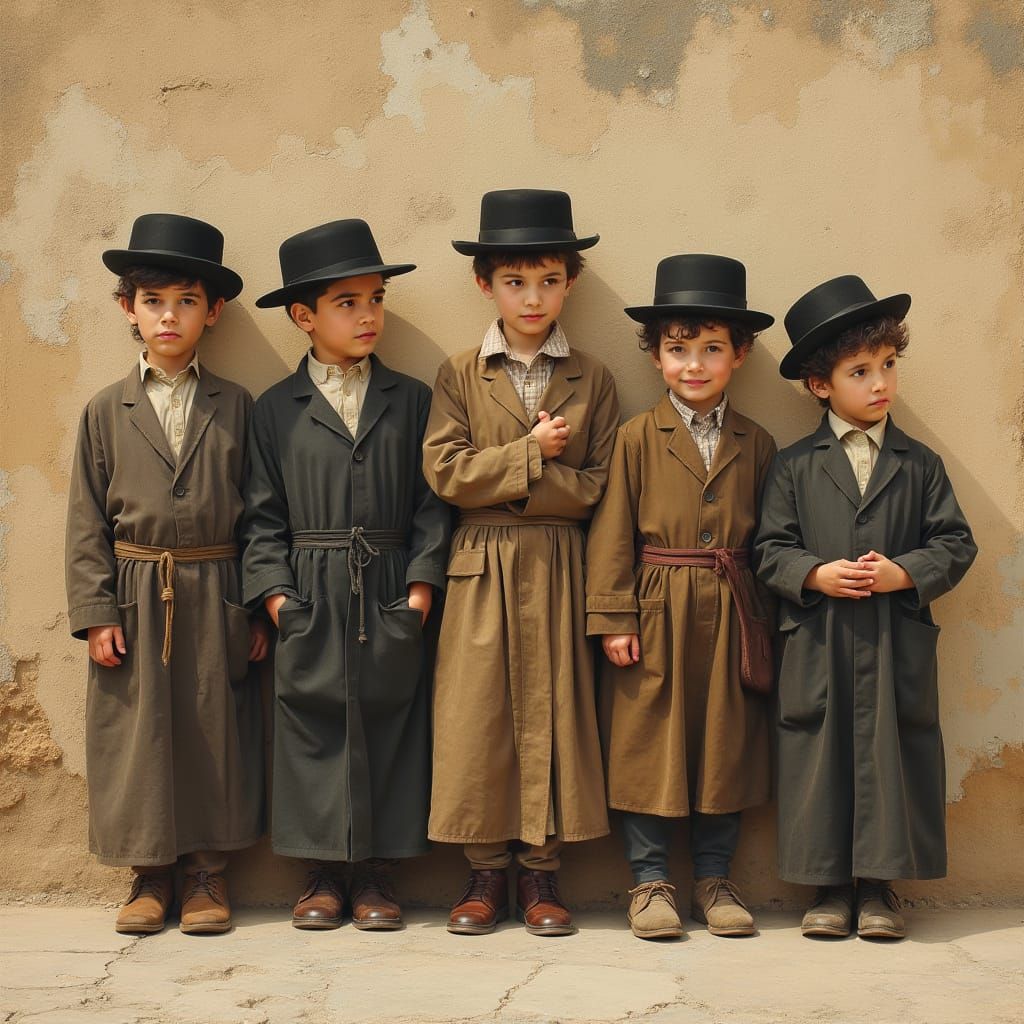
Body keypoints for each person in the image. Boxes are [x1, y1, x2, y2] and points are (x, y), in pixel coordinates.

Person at [754, 275, 977, 939]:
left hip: (891, 637)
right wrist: (814, 573)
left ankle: (880, 889)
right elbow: (768, 548)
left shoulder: (919, 464)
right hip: (817, 640)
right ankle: (826, 888)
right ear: (821, 385)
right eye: (860, 371)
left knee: (891, 754)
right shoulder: (794, 466)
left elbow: (956, 542)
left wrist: (904, 572)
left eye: (888, 366)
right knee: (818, 756)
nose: (880, 382)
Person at [243, 218, 450, 930]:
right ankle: (322, 874)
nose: (368, 315)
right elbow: (260, 515)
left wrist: (420, 593)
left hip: (390, 584)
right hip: (309, 588)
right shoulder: (274, 410)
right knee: (312, 726)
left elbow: (432, 506)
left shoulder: (413, 399)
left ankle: (377, 877)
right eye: (347, 302)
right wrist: (278, 602)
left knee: (391, 723)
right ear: (304, 317)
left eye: (376, 298)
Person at [423, 189, 619, 936]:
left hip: (558, 567)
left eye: (547, 280)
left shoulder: (593, 377)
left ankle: (541, 874)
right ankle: (483, 874)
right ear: (485, 286)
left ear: (570, 282)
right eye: (514, 282)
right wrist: (532, 455)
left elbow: (598, 485)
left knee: (553, 711)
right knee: (478, 716)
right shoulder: (459, 372)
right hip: (477, 567)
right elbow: (446, 473)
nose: (531, 297)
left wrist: (507, 478)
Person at [66, 213, 266, 935]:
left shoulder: (236, 406)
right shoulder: (104, 410)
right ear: (129, 309)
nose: (169, 316)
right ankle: (148, 874)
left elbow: (258, 516)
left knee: (215, 726)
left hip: (216, 592)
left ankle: (207, 873)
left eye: (186, 300)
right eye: (153, 301)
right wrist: (96, 614)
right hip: (135, 592)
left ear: (212, 312)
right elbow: (86, 521)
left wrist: (251, 608)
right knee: (137, 733)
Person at [587, 254, 777, 940]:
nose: (693, 364)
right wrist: (613, 616)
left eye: (710, 350)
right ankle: (649, 882)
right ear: (656, 355)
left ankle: (716, 878)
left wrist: (766, 620)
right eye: (677, 350)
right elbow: (610, 533)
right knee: (647, 740)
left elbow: (772, 539)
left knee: (725, 740)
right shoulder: (636, 437)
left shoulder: (758, 442)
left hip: (732, 605)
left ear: (740, 354)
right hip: (655, 604)